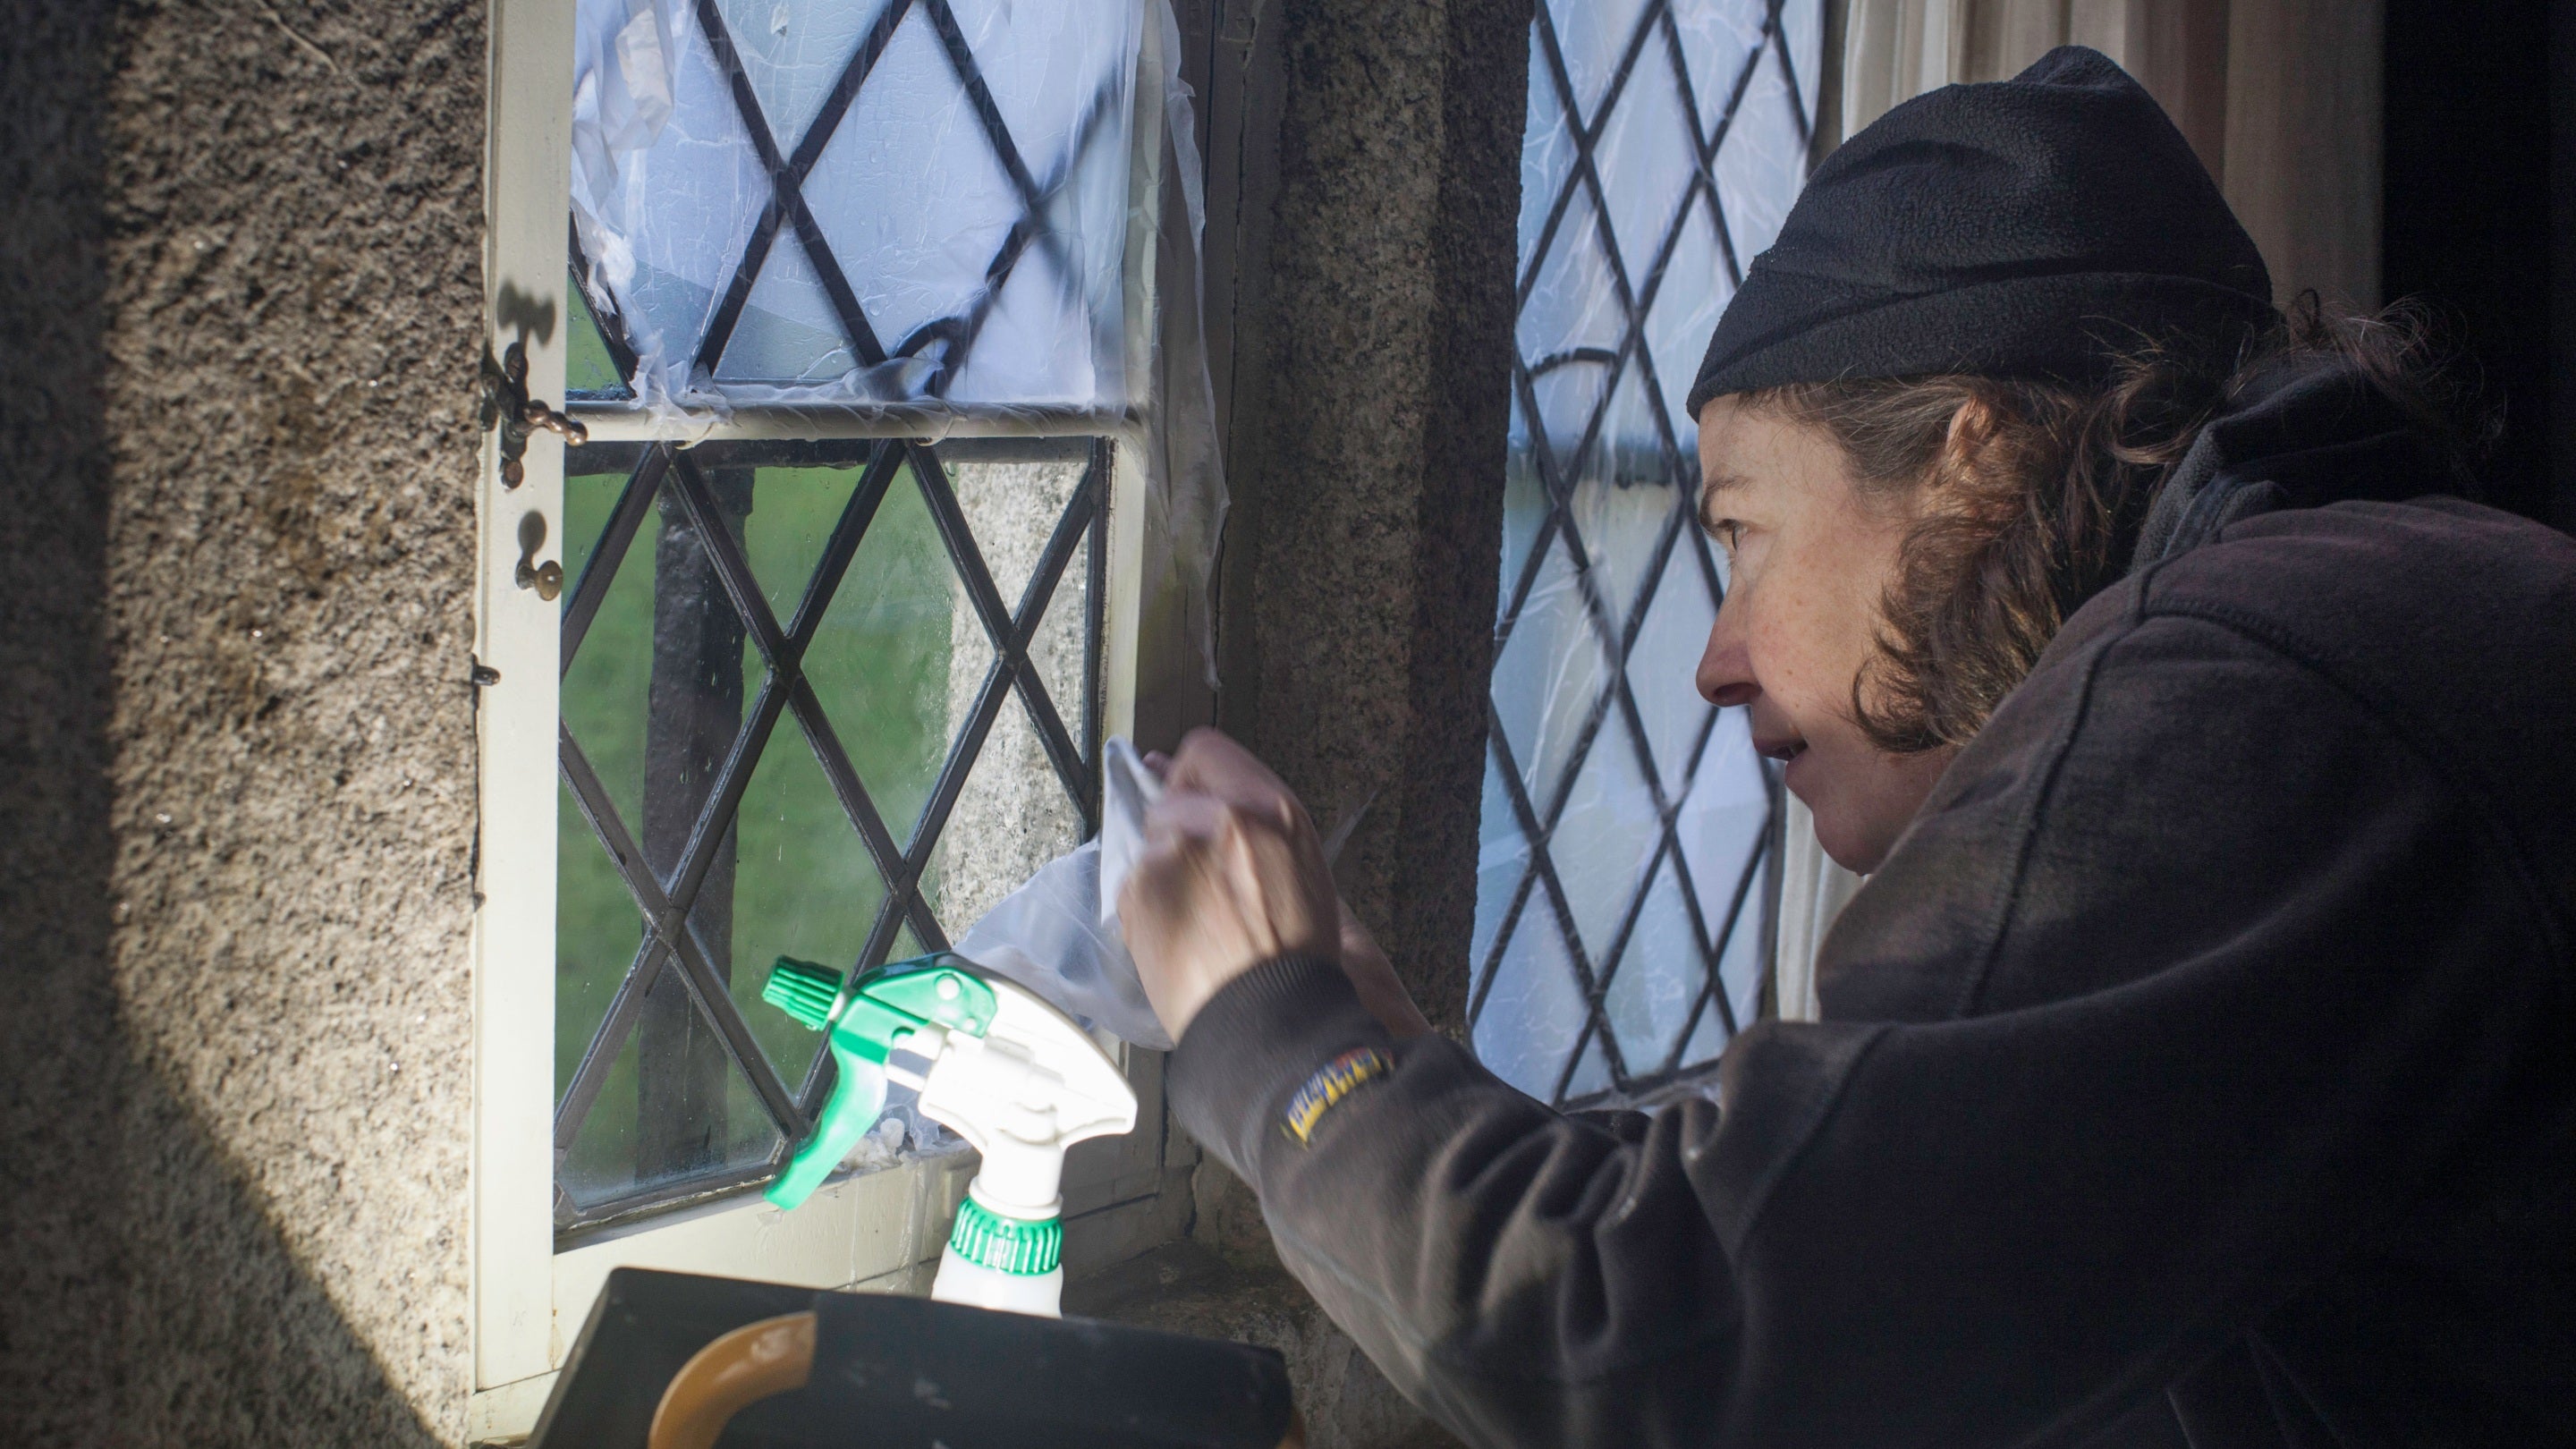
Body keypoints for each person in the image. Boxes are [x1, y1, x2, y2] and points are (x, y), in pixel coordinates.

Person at [1114, 47, 2576, 1449]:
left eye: (1744, 531)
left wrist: (1273, 1030)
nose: (1714, 662)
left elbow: (1661, 1340)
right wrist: (1395, 1069)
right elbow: (1883, 1264)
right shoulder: (2376, 615)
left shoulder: (2256, 689)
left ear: (1970, 461)